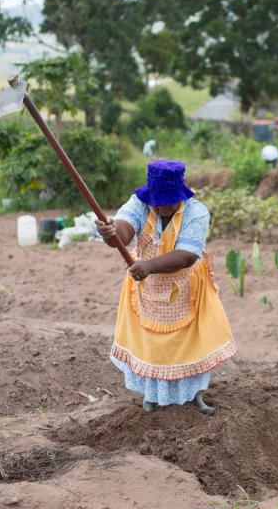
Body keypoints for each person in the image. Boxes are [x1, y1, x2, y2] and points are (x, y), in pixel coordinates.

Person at [95, 160, 236, 415]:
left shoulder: (197, 212)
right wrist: (111, 232)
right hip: (146, 286)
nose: (161, 207)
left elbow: (186, 256)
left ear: (180, 195)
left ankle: (194, 395)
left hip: (186, 287)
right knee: (152, 344)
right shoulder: (139, 203)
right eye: (157, 201)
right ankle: (152, 396)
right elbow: (124, 234)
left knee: (189, 344)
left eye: (168, 201)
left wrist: (149, 266)